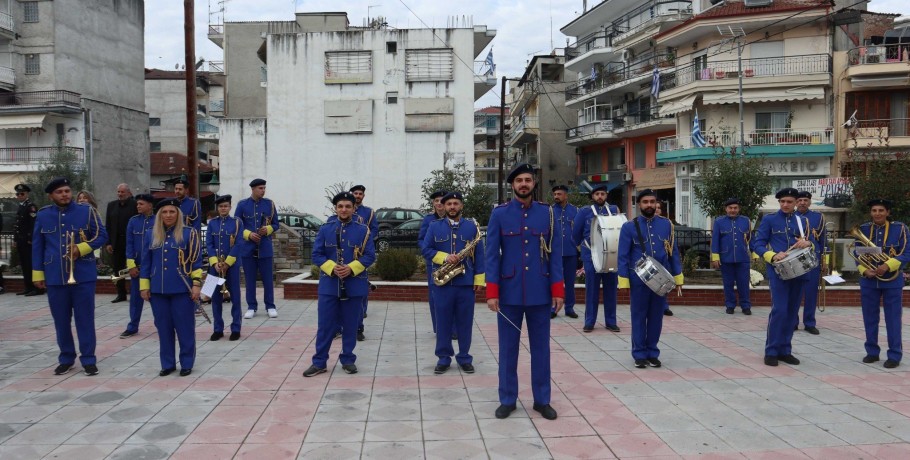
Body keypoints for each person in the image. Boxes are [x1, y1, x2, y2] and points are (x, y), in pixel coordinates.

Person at [486, 163, 564, 421]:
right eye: (519, 180)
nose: (523, 184)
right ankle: (507, 399)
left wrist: (558, 290)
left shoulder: (548, 214)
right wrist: (492, 291)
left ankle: (542, 400)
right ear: (512, 185)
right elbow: (491, 257)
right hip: (508, 293)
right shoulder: (499, 214)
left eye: (528, 179)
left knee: (541, 349)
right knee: (508, 349)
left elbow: (555, 256)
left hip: (540, 292)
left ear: (533, 183)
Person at [33, 177, 108, 376]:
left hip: (82, 274)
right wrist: (37, 274)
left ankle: (88, 359)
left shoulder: (87, 211)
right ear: (51, 195)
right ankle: (66, 357)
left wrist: (82, 248)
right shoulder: (43, 215)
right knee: (61, 320)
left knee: (85, 319)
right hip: (55, 276)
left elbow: (102, 235)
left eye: (67, 190)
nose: (65, 194)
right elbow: (38, 246)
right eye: (60, 192)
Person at [303, 191, 376, 377]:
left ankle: (348, 359)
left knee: (351, 325)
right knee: (325, 326)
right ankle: (319, 362)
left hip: (354, 285)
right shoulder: (325, 229)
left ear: (353, 209)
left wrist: (351, 268)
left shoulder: (363, 230)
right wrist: (332, 267)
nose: (344, 210)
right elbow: (317, 255)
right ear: (335, 209)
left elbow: (369, 256)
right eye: (340, 206)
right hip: (329, 285)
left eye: (348, 206)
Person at [617, 189, 683, 369]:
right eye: (645, 202)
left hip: (661, 280)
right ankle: (639, 354)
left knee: (656, 317)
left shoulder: (666, 225)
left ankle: (652, 352)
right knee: (638, 317)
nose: (649, 205)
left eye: (652, 202)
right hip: (638, 280)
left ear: (656, 204)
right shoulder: (629, 227)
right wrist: (623, 280)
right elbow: (623, 255)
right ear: (639, 204)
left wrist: (678, 276)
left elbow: (673, 253)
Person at [422, 191, 484, 375]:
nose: (452, 207)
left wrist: (479, 279)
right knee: (443, 322)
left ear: (461, 206)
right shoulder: (434, 226)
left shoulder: (472, 228)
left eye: (456, 203)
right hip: (442, 284)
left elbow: (480, 255)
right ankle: (443, 357)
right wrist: (444, 257)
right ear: (443, 206)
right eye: (448, 204)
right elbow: (426, 249)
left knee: (465, 322)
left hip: (465, 283)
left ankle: (464, 357)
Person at [140, 198, 202, 377]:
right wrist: (144, 286)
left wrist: (196, 285)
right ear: (159, 215)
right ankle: (167, 364)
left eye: (172, 212)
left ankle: (186, 363)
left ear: (178, 214)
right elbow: (145, 262)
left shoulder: (189, 233)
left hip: (182, 290)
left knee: (185, 328)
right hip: (158, 290)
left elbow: (197, 263)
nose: (168, 215)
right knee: (163, 328)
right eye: (165, 212)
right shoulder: (151, 234)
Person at [750, 187, 812, 367]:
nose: (785, 205)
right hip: (778, 272)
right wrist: (771, 255)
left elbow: (814, 244)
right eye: (782, 201)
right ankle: (771, 350)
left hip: (799, 271)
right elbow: (758, 244)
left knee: (792, 312)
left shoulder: (803, 221)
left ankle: (785, 350)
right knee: (780, 310)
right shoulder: (770, 220)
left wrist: (808, 243)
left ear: (795, 203)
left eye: (789, 202)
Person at [855, 199, 908, 369]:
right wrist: (864, 270)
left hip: (892, 280)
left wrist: (888, 265)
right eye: (874, 210)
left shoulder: (899, 228)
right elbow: (857, 254)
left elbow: (907, 252)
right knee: (869, 318)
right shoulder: (863, 229)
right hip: (869, 281)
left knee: (893, 319)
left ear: (888, 213)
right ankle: (872, 352)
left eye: (881, 210)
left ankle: (894, 354)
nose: (877, 213)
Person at [573, 184, 621, 332]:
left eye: (602, 194)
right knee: (592, 290)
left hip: (611, 255)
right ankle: (589, 322)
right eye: (597, 194)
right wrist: (584, 250)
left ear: (606, 196)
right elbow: (575, 234)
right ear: (592, 196)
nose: (600, 196)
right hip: (591, 256)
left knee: (611, 289)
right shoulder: (584, 212)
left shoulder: (613, 210)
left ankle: (611, 321)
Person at [236, 179, 279, 319]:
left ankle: (270, 306)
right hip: (248, 248)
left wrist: (268, 229)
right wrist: (248, 234)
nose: (263, 190)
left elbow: (276, 224)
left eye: (264, 188)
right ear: (253, 189)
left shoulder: (269, 204)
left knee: (268, 279)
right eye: (260, 188)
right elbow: (236, 226)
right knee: (250, 279)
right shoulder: (242, 205)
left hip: (265, 247)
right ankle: (251, 306)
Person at [206, 194, 244, 341]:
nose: (223, 208)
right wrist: (215, 263)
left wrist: (227, 263)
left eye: (226, 206)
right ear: (218, 208)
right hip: (214, 267)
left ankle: (236, 328)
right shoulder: (212, 223)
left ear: (230, 207)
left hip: (232, 266)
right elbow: (208, 244)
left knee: (235, 297)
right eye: (221, 206)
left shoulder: (237, 222)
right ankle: (218, 329)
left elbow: (239, 244)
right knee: (215, 297)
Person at [119, 194, 156, 338]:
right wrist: (131, 265)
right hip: (137, 266)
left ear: (150, 205)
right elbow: (129, 244)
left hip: (153, 266)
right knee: (135, 298)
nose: (138, 206)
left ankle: (161, 324)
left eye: (141, 204)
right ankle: (132, 326)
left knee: (156, 297)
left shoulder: (158, 221)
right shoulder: (133, 221)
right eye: (137, 204)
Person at [710, 197, 754, 315]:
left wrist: (754, 253)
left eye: (735, 208)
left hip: (742, 257)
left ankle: (745, 306)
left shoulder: (746, 221)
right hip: (726, 258)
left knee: (744, 283)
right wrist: (715, 257)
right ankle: (730, 305)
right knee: (728, 284)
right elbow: (715, 241)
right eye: (730, 208)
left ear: (739, 209)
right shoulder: (719, 222)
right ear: (726, 209)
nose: (733, 210)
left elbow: (751, 239)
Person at [418, 189, 451, 335]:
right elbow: (421, 240)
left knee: (452, 296)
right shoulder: (428, 220)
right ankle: (439, 328)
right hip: (434, 263)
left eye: (441, 200)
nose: (439, 203)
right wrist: (430, 252)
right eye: (436, 200)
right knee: (435, 296)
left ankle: (453, 329)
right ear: (433, 203)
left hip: (452, 262)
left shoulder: (454, 218)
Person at [795, 191, 825, 335]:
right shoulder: (790, 216)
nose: (802, 202)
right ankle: (792, 322)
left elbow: (823, 240)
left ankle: (809, 322)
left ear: (810, 202)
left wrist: (826, 261)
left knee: (811, 292)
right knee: (793, 293)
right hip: (794, 259)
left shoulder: (818, 217)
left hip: (813, 258)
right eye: (799, 200)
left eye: (805, 200)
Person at [350, 185, 378, 340]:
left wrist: (365, 243)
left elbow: (374, 229)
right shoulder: (344, 210)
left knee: (362, 283)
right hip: (346, 256)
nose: (358, 195)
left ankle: (361, 319)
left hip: (362, 253)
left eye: (360, 194)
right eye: (356, 193)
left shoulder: (368, 212)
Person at [105, 184, 137, 303]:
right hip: (116, 242)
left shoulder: (135, 205)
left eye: (122, 192)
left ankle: (136, 293)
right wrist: (108, 243)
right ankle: (121, 293)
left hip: (131, 242)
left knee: (134, 267)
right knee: (117, 269)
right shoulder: (111, 205)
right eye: (118, 192)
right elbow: (108, 226)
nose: (120, 194)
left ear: (129, 192)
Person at [551, 185, 578, 319]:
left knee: (570, 282)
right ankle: (553, 308)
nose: (556, 196)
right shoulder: (549, 211)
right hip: (554, 253)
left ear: (566, 195)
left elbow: (579, 230)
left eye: (559, 194)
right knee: (554, 281)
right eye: (555, 194)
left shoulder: (575, 211)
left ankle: (569, 308)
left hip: (570, 252)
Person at [13, 184, 40, 296]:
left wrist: (30, 238)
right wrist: (15, 239)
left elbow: (33, 224)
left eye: (22, 193)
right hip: (21, 241)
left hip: (28, 241)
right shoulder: (21, 206)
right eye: (18, 194)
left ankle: (36, 288)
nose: (19, 195)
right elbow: (17, 225)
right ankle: (28, 286)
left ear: (27, 194)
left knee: (30, 264)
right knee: (24, 264)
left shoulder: (31, 206)